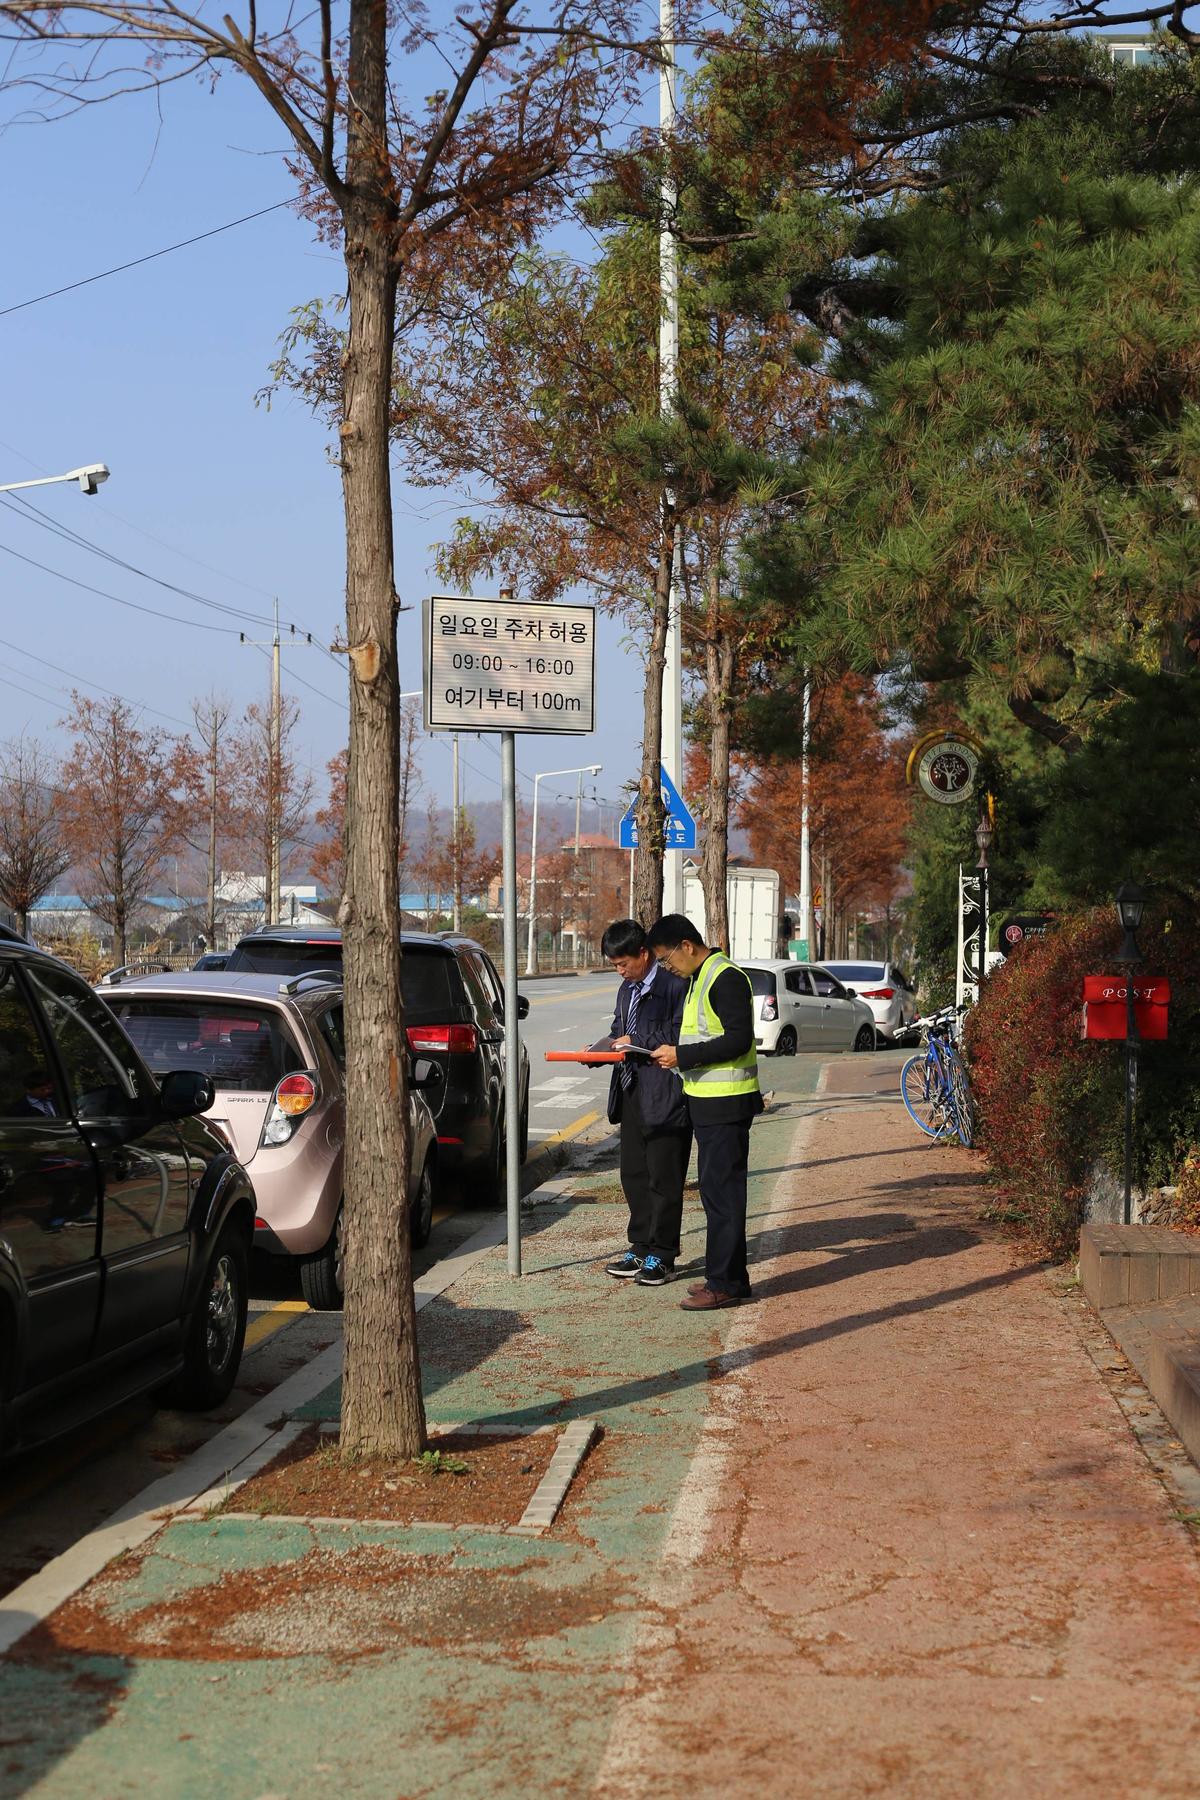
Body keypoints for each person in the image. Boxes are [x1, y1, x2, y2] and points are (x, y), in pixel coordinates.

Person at [646, 915, 763, 1311]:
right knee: (716, 1195)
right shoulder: (700, 977)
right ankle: (730, 1279)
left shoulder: (724, 977)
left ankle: (724, 1284)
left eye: (666, 959)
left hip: (726, 1103)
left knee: (723, 1197)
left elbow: (738, 1039)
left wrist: (683, 1055)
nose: (667, 968)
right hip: (709, 1102)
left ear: (687, 945)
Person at [598, 918, 691, 1288]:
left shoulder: (674, 986)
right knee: (633, 1173)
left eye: (624, 963)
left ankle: (663, 1254)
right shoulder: (627, 989)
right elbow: (619, 1030)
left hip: (666, 1094)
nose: (620, 971)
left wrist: (635, 1039)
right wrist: (601, 1050)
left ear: (643, 953)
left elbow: (680, 1033)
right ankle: (640, 1245)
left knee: (663, 1177)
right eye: (614, 966)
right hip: (632, 1089)